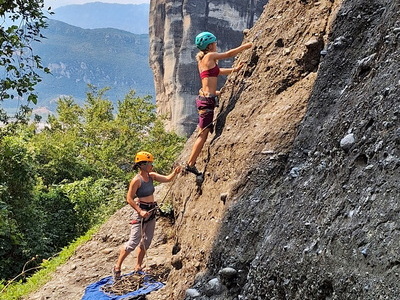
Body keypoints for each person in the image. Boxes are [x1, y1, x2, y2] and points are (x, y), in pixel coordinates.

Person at [186, 32, 253, 175]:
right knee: (202, 135)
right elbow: (228, 54)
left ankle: (191, 162)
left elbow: (215, 72)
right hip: (207, 101)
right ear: (210, 46)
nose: (216, 45)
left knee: (203, 133)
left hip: (205, 98)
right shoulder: (210, 56)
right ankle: (190, 164)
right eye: (214, 43)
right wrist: (246, 46)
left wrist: (234, 70)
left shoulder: (202, 60)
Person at [113, 151, 181, 280]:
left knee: (146, 241)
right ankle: (117, 267)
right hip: (141, 213)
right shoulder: (136, 181)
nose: (152, 165)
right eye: (150, 163)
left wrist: (175, 172)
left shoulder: (152, 176)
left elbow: (167, 179)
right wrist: (139, 211)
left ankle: (138, 266)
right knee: (133, 242)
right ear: (142, 164)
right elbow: (129, 198)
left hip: (151, 211)